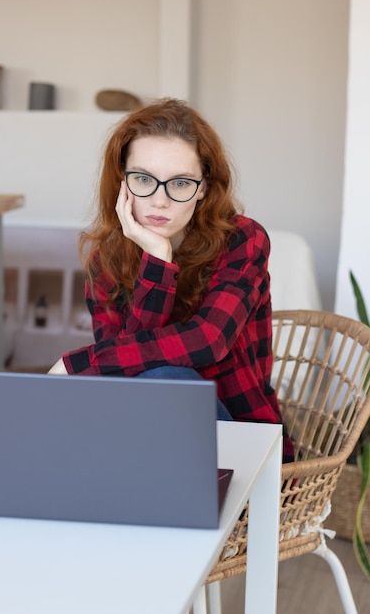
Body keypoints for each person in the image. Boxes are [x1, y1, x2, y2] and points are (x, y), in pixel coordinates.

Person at [49, 98, 294, 463]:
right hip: (146, 440)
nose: (160, 201)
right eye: (144, 179)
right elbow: (124, 381)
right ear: (122, 183)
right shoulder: (106, 263)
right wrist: (156, 260)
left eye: (179, 183)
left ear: (203, 189)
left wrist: (78, 364)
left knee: (167, 380)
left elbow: (207, 340)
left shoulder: (242, 239)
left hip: (243, 444)